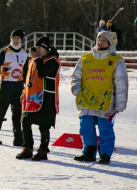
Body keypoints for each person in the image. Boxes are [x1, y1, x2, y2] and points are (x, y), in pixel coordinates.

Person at [71, 31, 128, 164]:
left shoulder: (116, 61)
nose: (100, 42)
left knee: (105, 129)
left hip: (105, 102)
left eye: (104, 40)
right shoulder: (85, 58)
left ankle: (105, 154)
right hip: (86, 100)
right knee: (86, 127)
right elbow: (76, 76)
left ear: (110, 43)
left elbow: (121, 84)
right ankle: (89, 151)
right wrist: (76, 89)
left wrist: (120, 103)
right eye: (98, 39)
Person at [16, 36, 60, 161]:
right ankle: (27, 148)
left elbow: (42, 72)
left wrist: (36, 58)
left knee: (44, 126)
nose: (37, 49)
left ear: (46, 49)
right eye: (36, 47)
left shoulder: (53, 60)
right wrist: (24, 92)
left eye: (40, 47)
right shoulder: (33, 60)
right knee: (25, 122)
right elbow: (29, 78)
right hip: (31, 97)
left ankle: (43, 151)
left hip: (46, 98)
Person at [0, 29, 27, 145]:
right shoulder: (5, 52)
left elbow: (26, 72)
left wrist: (27, 86)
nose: (16, 40)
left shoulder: (24, 53)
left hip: (19, 88)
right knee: (1, 112)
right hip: (6, 87)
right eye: (14, 38)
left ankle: (18, 138)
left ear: (21, 40)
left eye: (18, 38)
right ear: (10, 39)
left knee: (17, 114)